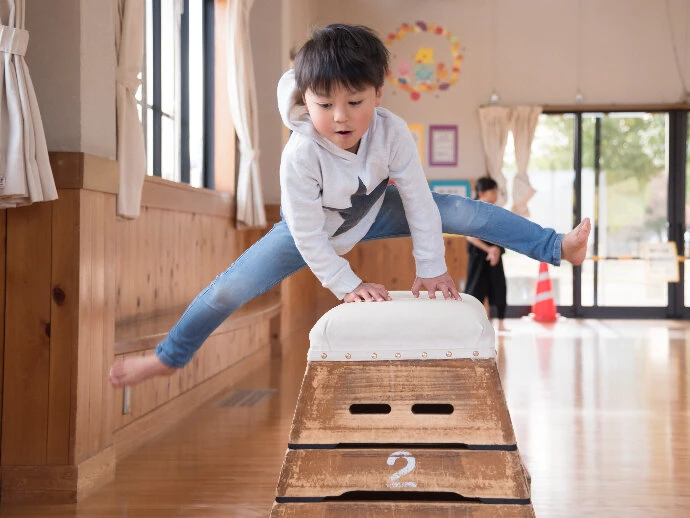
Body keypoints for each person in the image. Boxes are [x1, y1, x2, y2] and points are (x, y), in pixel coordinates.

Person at [110, 24, 590, 388]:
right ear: (305, 100)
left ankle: (556, 246)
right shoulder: (300, 154)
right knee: (226, 292)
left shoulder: (391, 132)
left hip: (376, 210)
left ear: (378, 94)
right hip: (311, 233)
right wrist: (348, 284)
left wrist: (429, 265)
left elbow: (420, 202)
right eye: (323, 105)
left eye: (355, 102)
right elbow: (306, 233)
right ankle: (168, 357)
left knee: (463, 211)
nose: (340, 117)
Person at [465, 177, 508, 332]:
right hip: (478, 255)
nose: (495, 195)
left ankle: (501, 323)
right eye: (492, 191)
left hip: (495, 254)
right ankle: (477, 323)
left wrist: (495, 249)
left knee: (498, 287)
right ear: (482, 192)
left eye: (496, 191)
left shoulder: (496, 210)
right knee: (476, 289)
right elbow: (469, 236)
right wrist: (488, 249)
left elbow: (502, 232)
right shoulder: (473, 209)